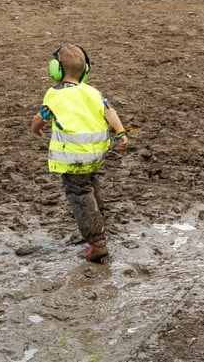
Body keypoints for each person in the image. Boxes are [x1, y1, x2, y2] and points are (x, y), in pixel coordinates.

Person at [31, 44, 128, 263]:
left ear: (56, 71)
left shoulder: (55, 95)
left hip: (72, 158)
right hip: (95, 156)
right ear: (86, 71)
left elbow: (40, 118)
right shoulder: (93, 92)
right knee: (90, 184)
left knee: (79, 193)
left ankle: (97, 242)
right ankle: (98, 218)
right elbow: (109, 111)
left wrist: (35, 129)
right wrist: (121, 133)